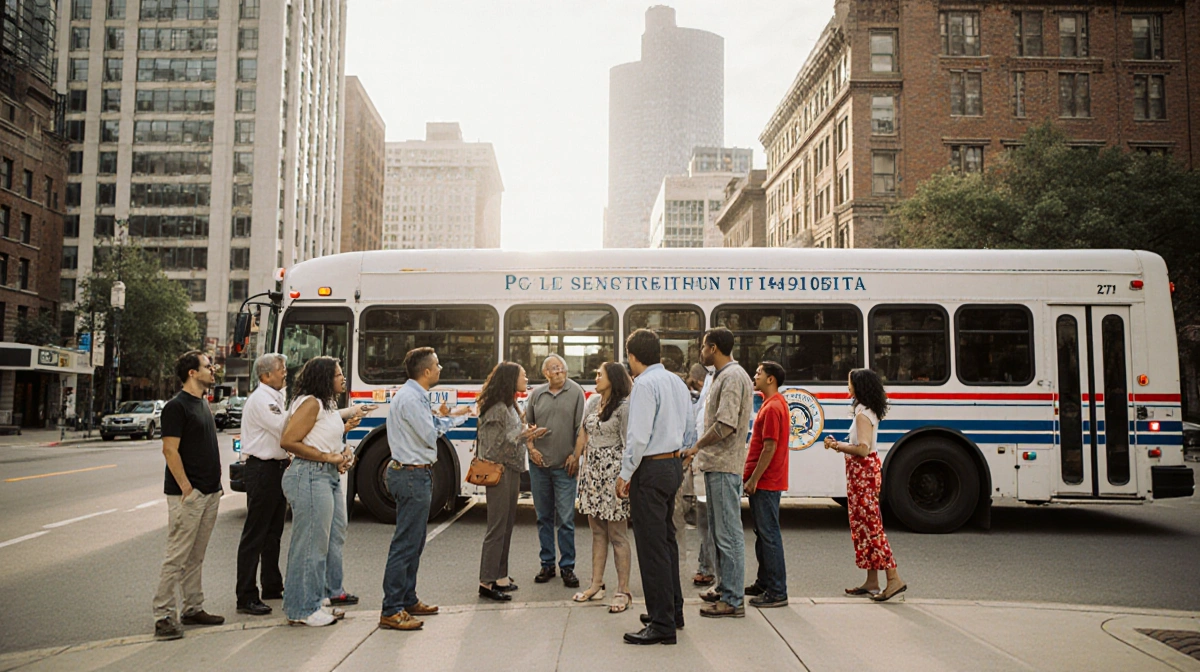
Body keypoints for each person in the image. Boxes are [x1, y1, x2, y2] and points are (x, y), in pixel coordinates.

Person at [381, 347, 471, 631]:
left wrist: (446, 416)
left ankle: (407, 599)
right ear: (427, 371)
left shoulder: (413, 396)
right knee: (406, 544)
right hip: (411, 475)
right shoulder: (411, 398)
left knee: (414, 542)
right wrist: (458, 417)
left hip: (413, 473)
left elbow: (427, 425)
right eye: (437, 364)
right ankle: (392, 609)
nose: (441, 367)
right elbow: (430, 432)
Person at [616, 329, 695, 646]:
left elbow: (637, 435)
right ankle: (672, 611)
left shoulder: (644, 385)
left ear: (632, 356)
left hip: (650, 467)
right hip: (673, 464)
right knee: (667, 542)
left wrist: (625, 473)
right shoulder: (676, 381)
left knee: (651, 549)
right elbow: (690, 427)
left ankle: (662, 623)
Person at [152, 351, 224, 641]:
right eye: (208, 366)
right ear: (192, 373)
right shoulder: (176, 407)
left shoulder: (202, 404)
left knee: (196, 557)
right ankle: (163, 616)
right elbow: (170, 451)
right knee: (176, 558)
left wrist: (215, 488)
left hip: (210, 492)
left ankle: (193, 608)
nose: (213, 370)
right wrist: (187, 490)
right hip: (189, 496)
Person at [682, 327, 754, 619]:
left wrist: (696, 446)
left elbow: (725, 425)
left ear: (713, 348)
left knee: (728, 534)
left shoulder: (732, 377)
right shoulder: (723, 376)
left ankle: (733, 600)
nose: (700, 351)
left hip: (724, 465)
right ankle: (726, 590)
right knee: (720, 531)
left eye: (703, 346)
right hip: (716, 465)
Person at [279, 356, 355, 627]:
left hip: (327, 476)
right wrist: (328, 457)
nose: (343, 378)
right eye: (338, 374)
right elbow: (288, 440)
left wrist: (344, 454)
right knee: (310, 544)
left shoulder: (328, 404)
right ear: (324, 378)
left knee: (332, 537)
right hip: (310, 476)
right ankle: (301, 608)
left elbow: (327, 439)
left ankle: (319, 598)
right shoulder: (311, 403)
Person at [824, 368, 908, 602]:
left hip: (863, 474)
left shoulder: (862, 414)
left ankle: (893, 579)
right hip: (864, 474)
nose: (847, 387)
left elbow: (862, 448)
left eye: (849, 383)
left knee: (870, 526)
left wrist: (836, 446)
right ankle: (872, 581)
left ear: (859, 387)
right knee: (864, 524)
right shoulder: (866, 410)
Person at [476, 362, 547, 602]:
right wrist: (524, 435)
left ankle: (501, 576)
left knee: (506, 525)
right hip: (499, 471)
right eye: (523, 375)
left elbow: (510, 437)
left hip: (512, 469)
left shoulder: (511, 405)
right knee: (497, 526)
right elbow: (495, 445)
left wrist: (528, 432)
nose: (527, 379)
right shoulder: (496, 408)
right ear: (510, 379)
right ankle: (486, 582)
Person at [571, 362, 633, 613]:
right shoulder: (592, 402)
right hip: (592, 472)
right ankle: (596, 584)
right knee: (596, 529)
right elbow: (583, 434)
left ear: (613, 378)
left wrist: (626, 478)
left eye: (600, 375)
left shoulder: (625, 406)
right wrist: (576, 459)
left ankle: (623, 590)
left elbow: (629, 443)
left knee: (617, 534)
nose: (595, 378)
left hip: (613, 473)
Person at [234, 354, 290, 616]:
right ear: (265, 376)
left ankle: (271, 585)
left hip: (276, 469)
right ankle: (246, 595)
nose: (285, 373)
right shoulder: (262, 400)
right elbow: (284, 429)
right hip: (262, 470)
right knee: (255, 535)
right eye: (281, 369)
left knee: (273, 533)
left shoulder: (276, 397)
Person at [525, 354, 586, 587]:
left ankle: (568, 567)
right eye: (554, 369)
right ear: (546, 373)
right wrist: (531, 448)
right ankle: (547, 564)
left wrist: (575, 456)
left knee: (566, 519)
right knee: (543, 517)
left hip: (564, 467)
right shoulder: (537, 394)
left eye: (562, 368)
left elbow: (581, 429)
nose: (559, 371)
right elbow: (528, 428)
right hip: (539, 467)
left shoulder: (576, 392)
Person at [743, 361, 791, 608]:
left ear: (771, 379)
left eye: (759, 373)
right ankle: (764, 582)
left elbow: (769, 447)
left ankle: (776, 590)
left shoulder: (772, 407)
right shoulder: (771, 404)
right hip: (766, 480)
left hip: (766, 481)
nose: (755, 375)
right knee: (763, 533)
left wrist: (754, 479)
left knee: (769, 534)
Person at [677, 363, 715, 588]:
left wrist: (692, 454)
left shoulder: (709, 389)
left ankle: (707, 568)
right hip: (695, 466)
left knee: (706, 520)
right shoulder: (700, 398)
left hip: (700, 467)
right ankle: (706, 566)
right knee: (704, 520)